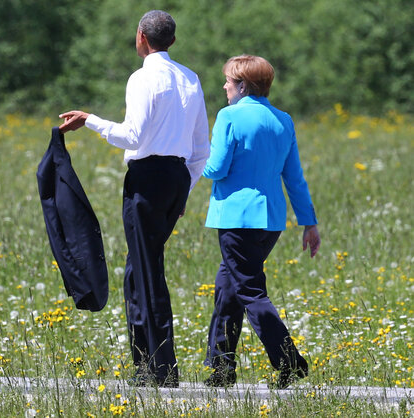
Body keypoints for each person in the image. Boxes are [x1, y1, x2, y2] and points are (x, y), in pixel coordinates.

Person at [59, 10, 210, 387]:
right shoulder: (190, 78)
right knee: (137, 271)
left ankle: (161, 369)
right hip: (176, 177)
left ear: (141, 36)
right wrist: (184, 190)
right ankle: (147, 363)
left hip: (148, 179)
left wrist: (89, 120)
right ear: (171, 41)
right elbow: (201, 150)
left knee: (145, 272)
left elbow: (132, 137)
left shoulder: (143, 78)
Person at [200, 54, 321, 389]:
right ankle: (220, 367)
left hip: (237, 219)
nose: (224, 86)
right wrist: (308, 222)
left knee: (250, 291)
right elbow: (294, 178)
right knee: (228, 287)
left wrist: (191, 159)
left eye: (228, 80)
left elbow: (217, 168)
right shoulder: (283, 120)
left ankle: (290, 361)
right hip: (270, 221)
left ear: (242, 85)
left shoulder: (230, 116)